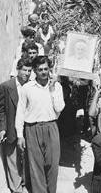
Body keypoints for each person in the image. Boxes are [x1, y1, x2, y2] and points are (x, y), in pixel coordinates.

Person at [15, 56, 65, 193]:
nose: (43, 72)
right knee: (36, 166)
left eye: (46, 69)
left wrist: (53, 88)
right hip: (32, 129)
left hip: (51, 127)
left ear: (49, 70)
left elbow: (59, 108)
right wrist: (20, 135)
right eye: (40, 69)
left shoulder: (57, 86)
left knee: (52, 165)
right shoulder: (27, 88)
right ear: (35, 71)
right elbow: (20, 112)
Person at [0, 58, 32, 193]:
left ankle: (25, 183)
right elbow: (1, 110)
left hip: (27, 129)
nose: (27, 73)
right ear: (18, 69)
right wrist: (2, 129)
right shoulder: (6, 86)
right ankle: (16, 189)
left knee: (26, 160)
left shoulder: (32, 86)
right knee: (12, 160)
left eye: (29, 71)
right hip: (11, 129)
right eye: (24, 70)